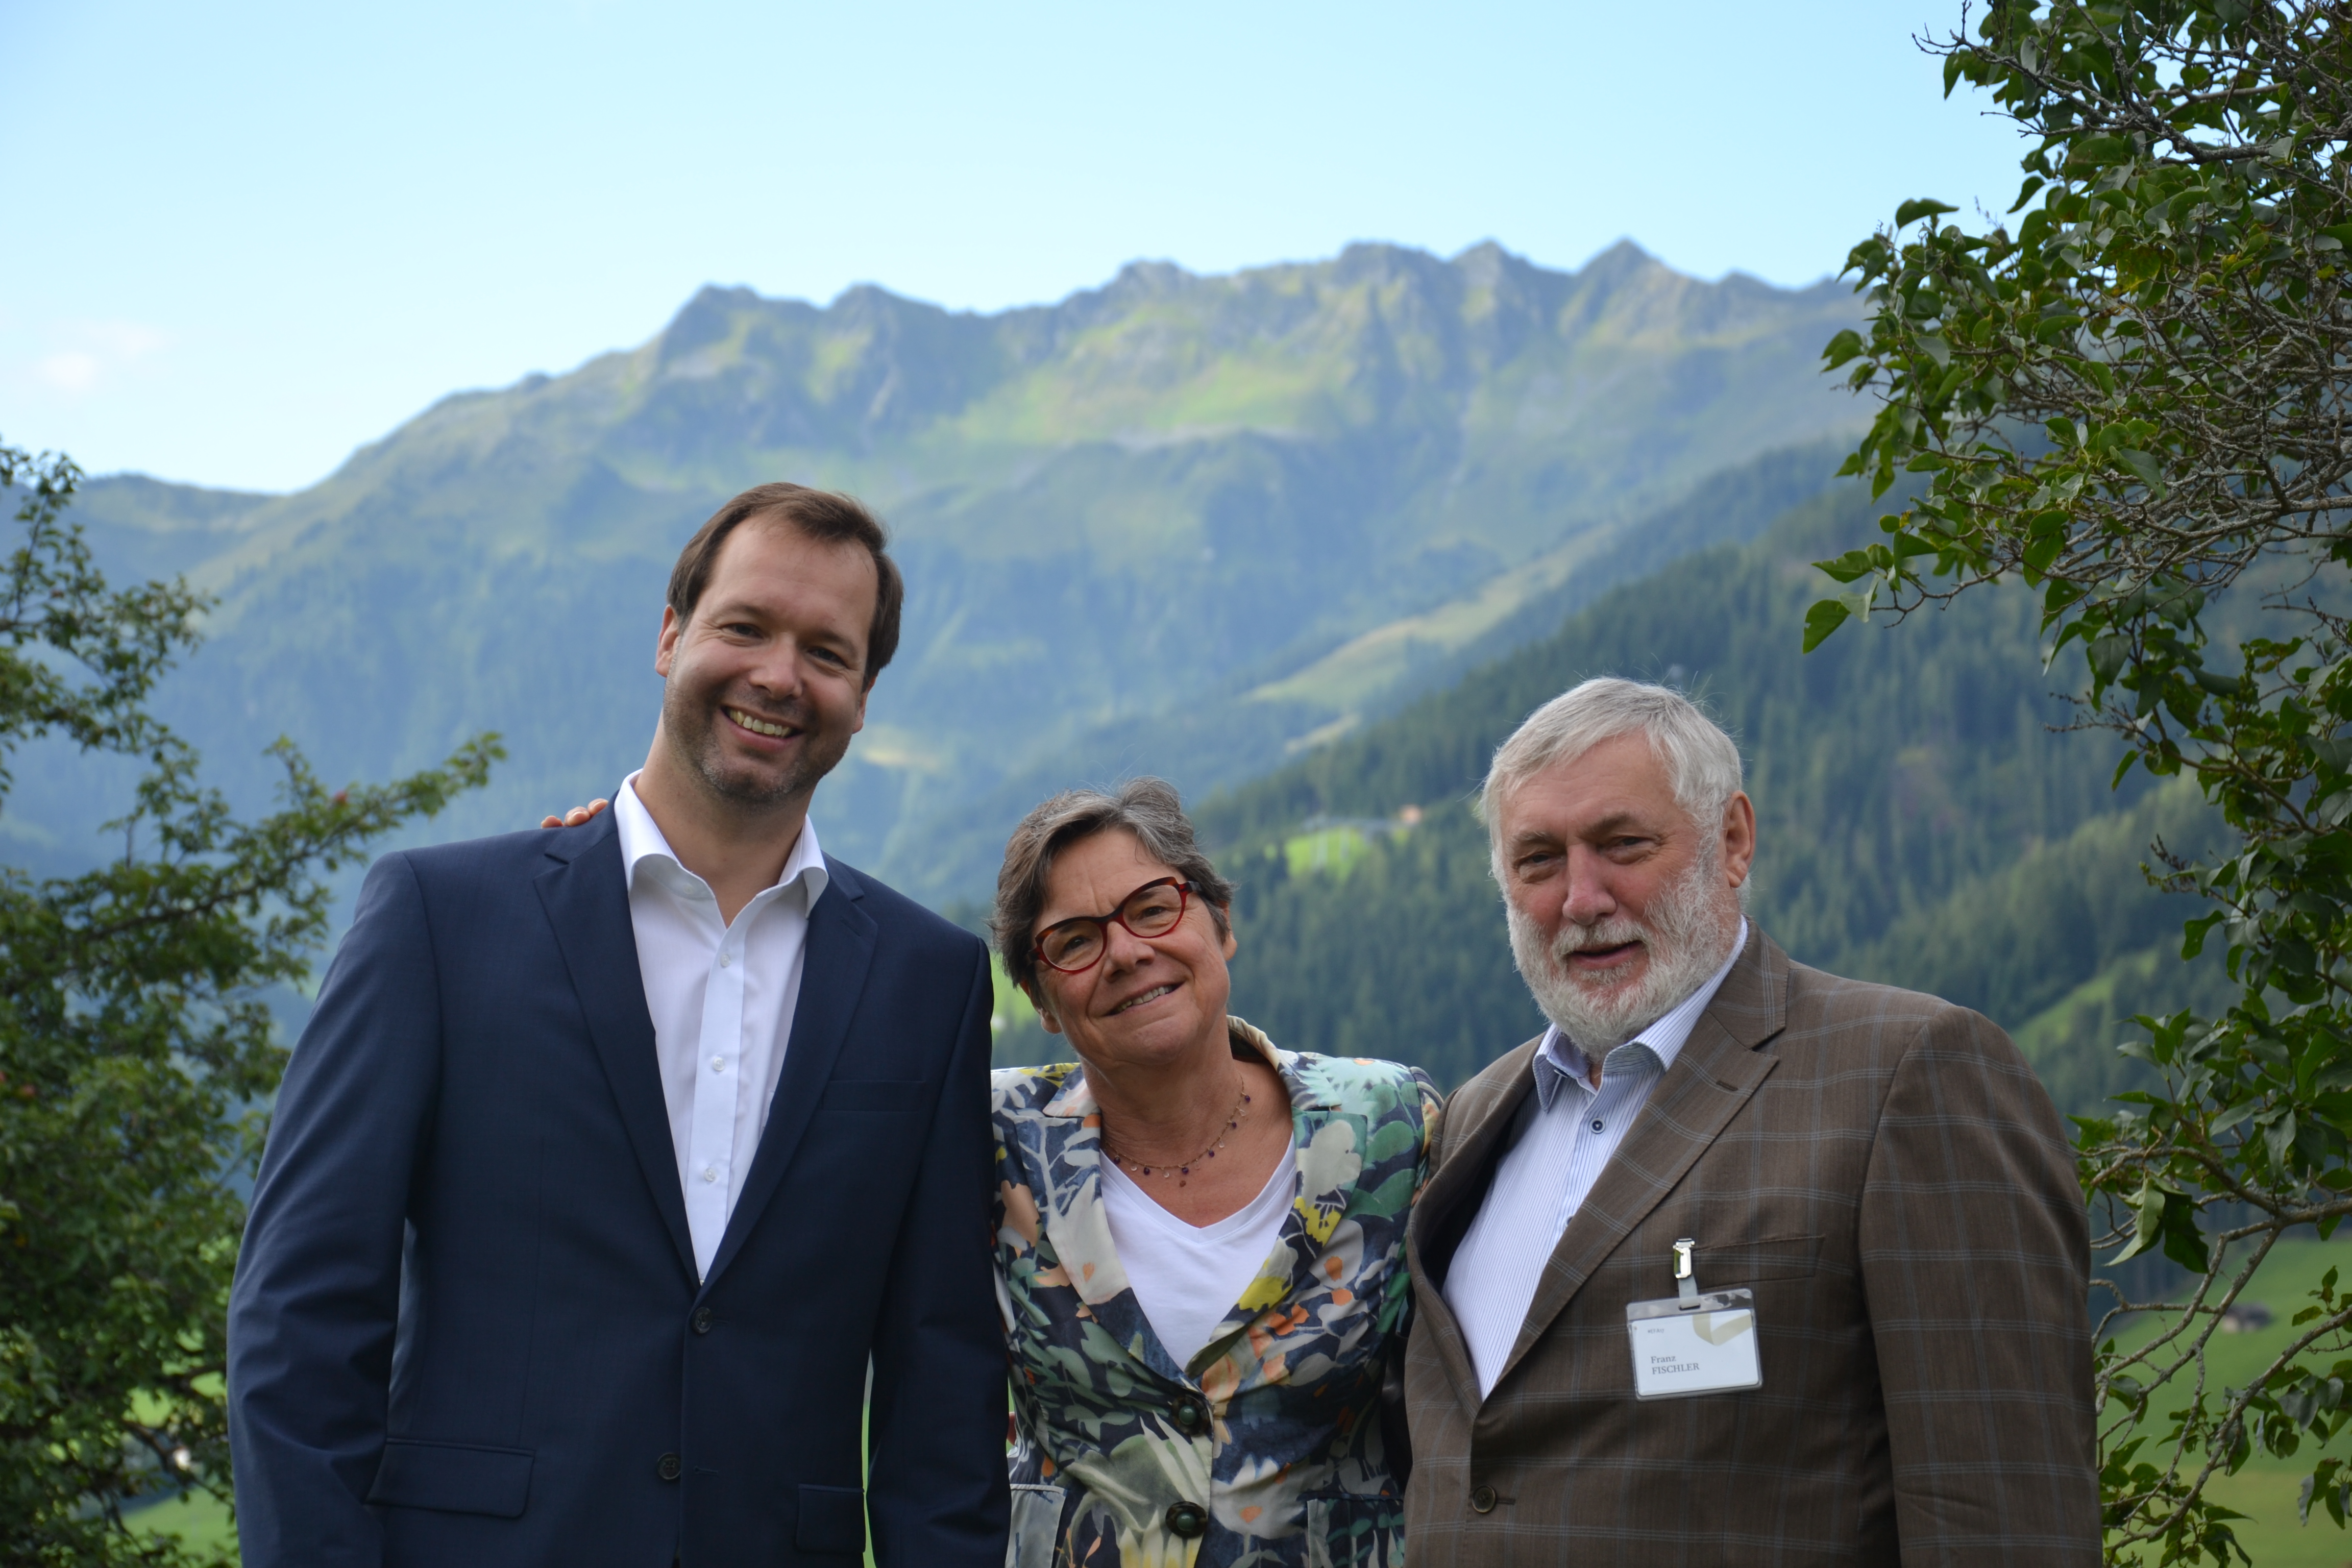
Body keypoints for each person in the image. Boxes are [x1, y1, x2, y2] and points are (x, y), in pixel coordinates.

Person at [227, 484, 1009, 1567]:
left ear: (865, 694)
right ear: (671, 634)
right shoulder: (438, 922)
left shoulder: (931, 980)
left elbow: (943, 1392)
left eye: (826, 652)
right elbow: (299, 1319)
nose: (780, 676)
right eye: (746, 627)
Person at [1403, 678, 2098, 1564]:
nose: (1581, 898)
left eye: (1623, 844)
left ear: (1732, 840)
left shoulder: (1910, 1075)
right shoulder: (1474, 1117)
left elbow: (2003, 1517)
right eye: (1538, 860)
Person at [990, 780, 1439, 1568]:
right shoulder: (996, 1143)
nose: (1128, 952)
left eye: (1154, 907)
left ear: (1219, 923)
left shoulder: (1391, 1125)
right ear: (1041, 999)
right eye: (1074, 942)